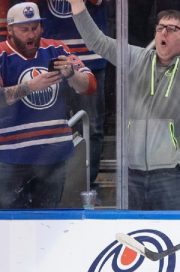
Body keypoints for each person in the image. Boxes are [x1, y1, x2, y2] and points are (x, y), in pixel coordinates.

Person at [67, 0, 180, 210]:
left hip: (176, 176)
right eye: (160, 28)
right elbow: (97, 42)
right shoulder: (137, 58)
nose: (164, 32)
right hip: (133, 173)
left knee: (178, 238)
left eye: (172, 29)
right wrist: (76, 4)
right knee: (134, 240)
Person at [0, 2, 96, 209]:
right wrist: (29, 87)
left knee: (49, 221)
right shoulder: (1, 55)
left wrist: (71, 74)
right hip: (11, 159)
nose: (31, 34)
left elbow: (89, 85)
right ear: (10, 30)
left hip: (53, 155)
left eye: (35, 28)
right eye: (24, 29)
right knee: (10, 226)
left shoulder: (57, 48)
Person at [34, 0, 110, 191]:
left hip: (89, 56)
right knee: (48, 124)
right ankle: (50, 185)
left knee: (90, 127)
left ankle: (85, 186)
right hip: (49, 56)